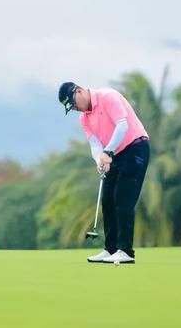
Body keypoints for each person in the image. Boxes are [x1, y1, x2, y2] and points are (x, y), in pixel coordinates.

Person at [58, 81, 150, 264]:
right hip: (114, 153)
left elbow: (122, 126)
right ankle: (111, 249)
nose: (75, 108)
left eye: (73, 103)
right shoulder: (84, 119)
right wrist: (100, 159)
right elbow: (94, 144)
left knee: (123, 198)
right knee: (107, 200)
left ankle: (125, 251)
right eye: (71, 107)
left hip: (135, 148)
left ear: (79, 91)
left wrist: (108, 152)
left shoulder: (108, 97)